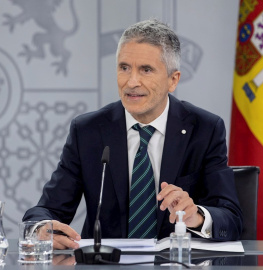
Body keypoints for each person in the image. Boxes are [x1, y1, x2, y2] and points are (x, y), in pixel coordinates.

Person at [23, 19, 243, 250]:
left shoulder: (205, 129)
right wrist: (40, 228)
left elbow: (231, 218)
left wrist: (195, 215)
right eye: (124, 67)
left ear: (173, 80)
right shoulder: (87, 131)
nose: (131, 82)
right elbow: (46, 210)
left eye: (146, 70)